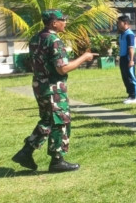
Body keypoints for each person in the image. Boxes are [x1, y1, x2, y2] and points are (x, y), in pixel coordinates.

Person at [11, 10, 97, 173]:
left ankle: (26, 152)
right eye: (62, 19)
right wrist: (84, 58)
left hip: (40, 85)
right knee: (59, 121)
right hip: (53, 87)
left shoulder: (36, 38)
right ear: (53, 23)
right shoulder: (54, 40)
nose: (65, 22)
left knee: (48, 120)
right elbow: (62, 68)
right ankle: (56, 160)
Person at [117, 15, 136, 104]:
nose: (118, 24)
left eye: (119, 22)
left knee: (131, 77)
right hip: (123, 58)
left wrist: (131, 60)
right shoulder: (122, 34)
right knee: (125, 77)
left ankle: (135, 96)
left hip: (128, 58)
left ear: (125, 23)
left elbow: (131, 48)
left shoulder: (129, 34)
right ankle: (130, 95)